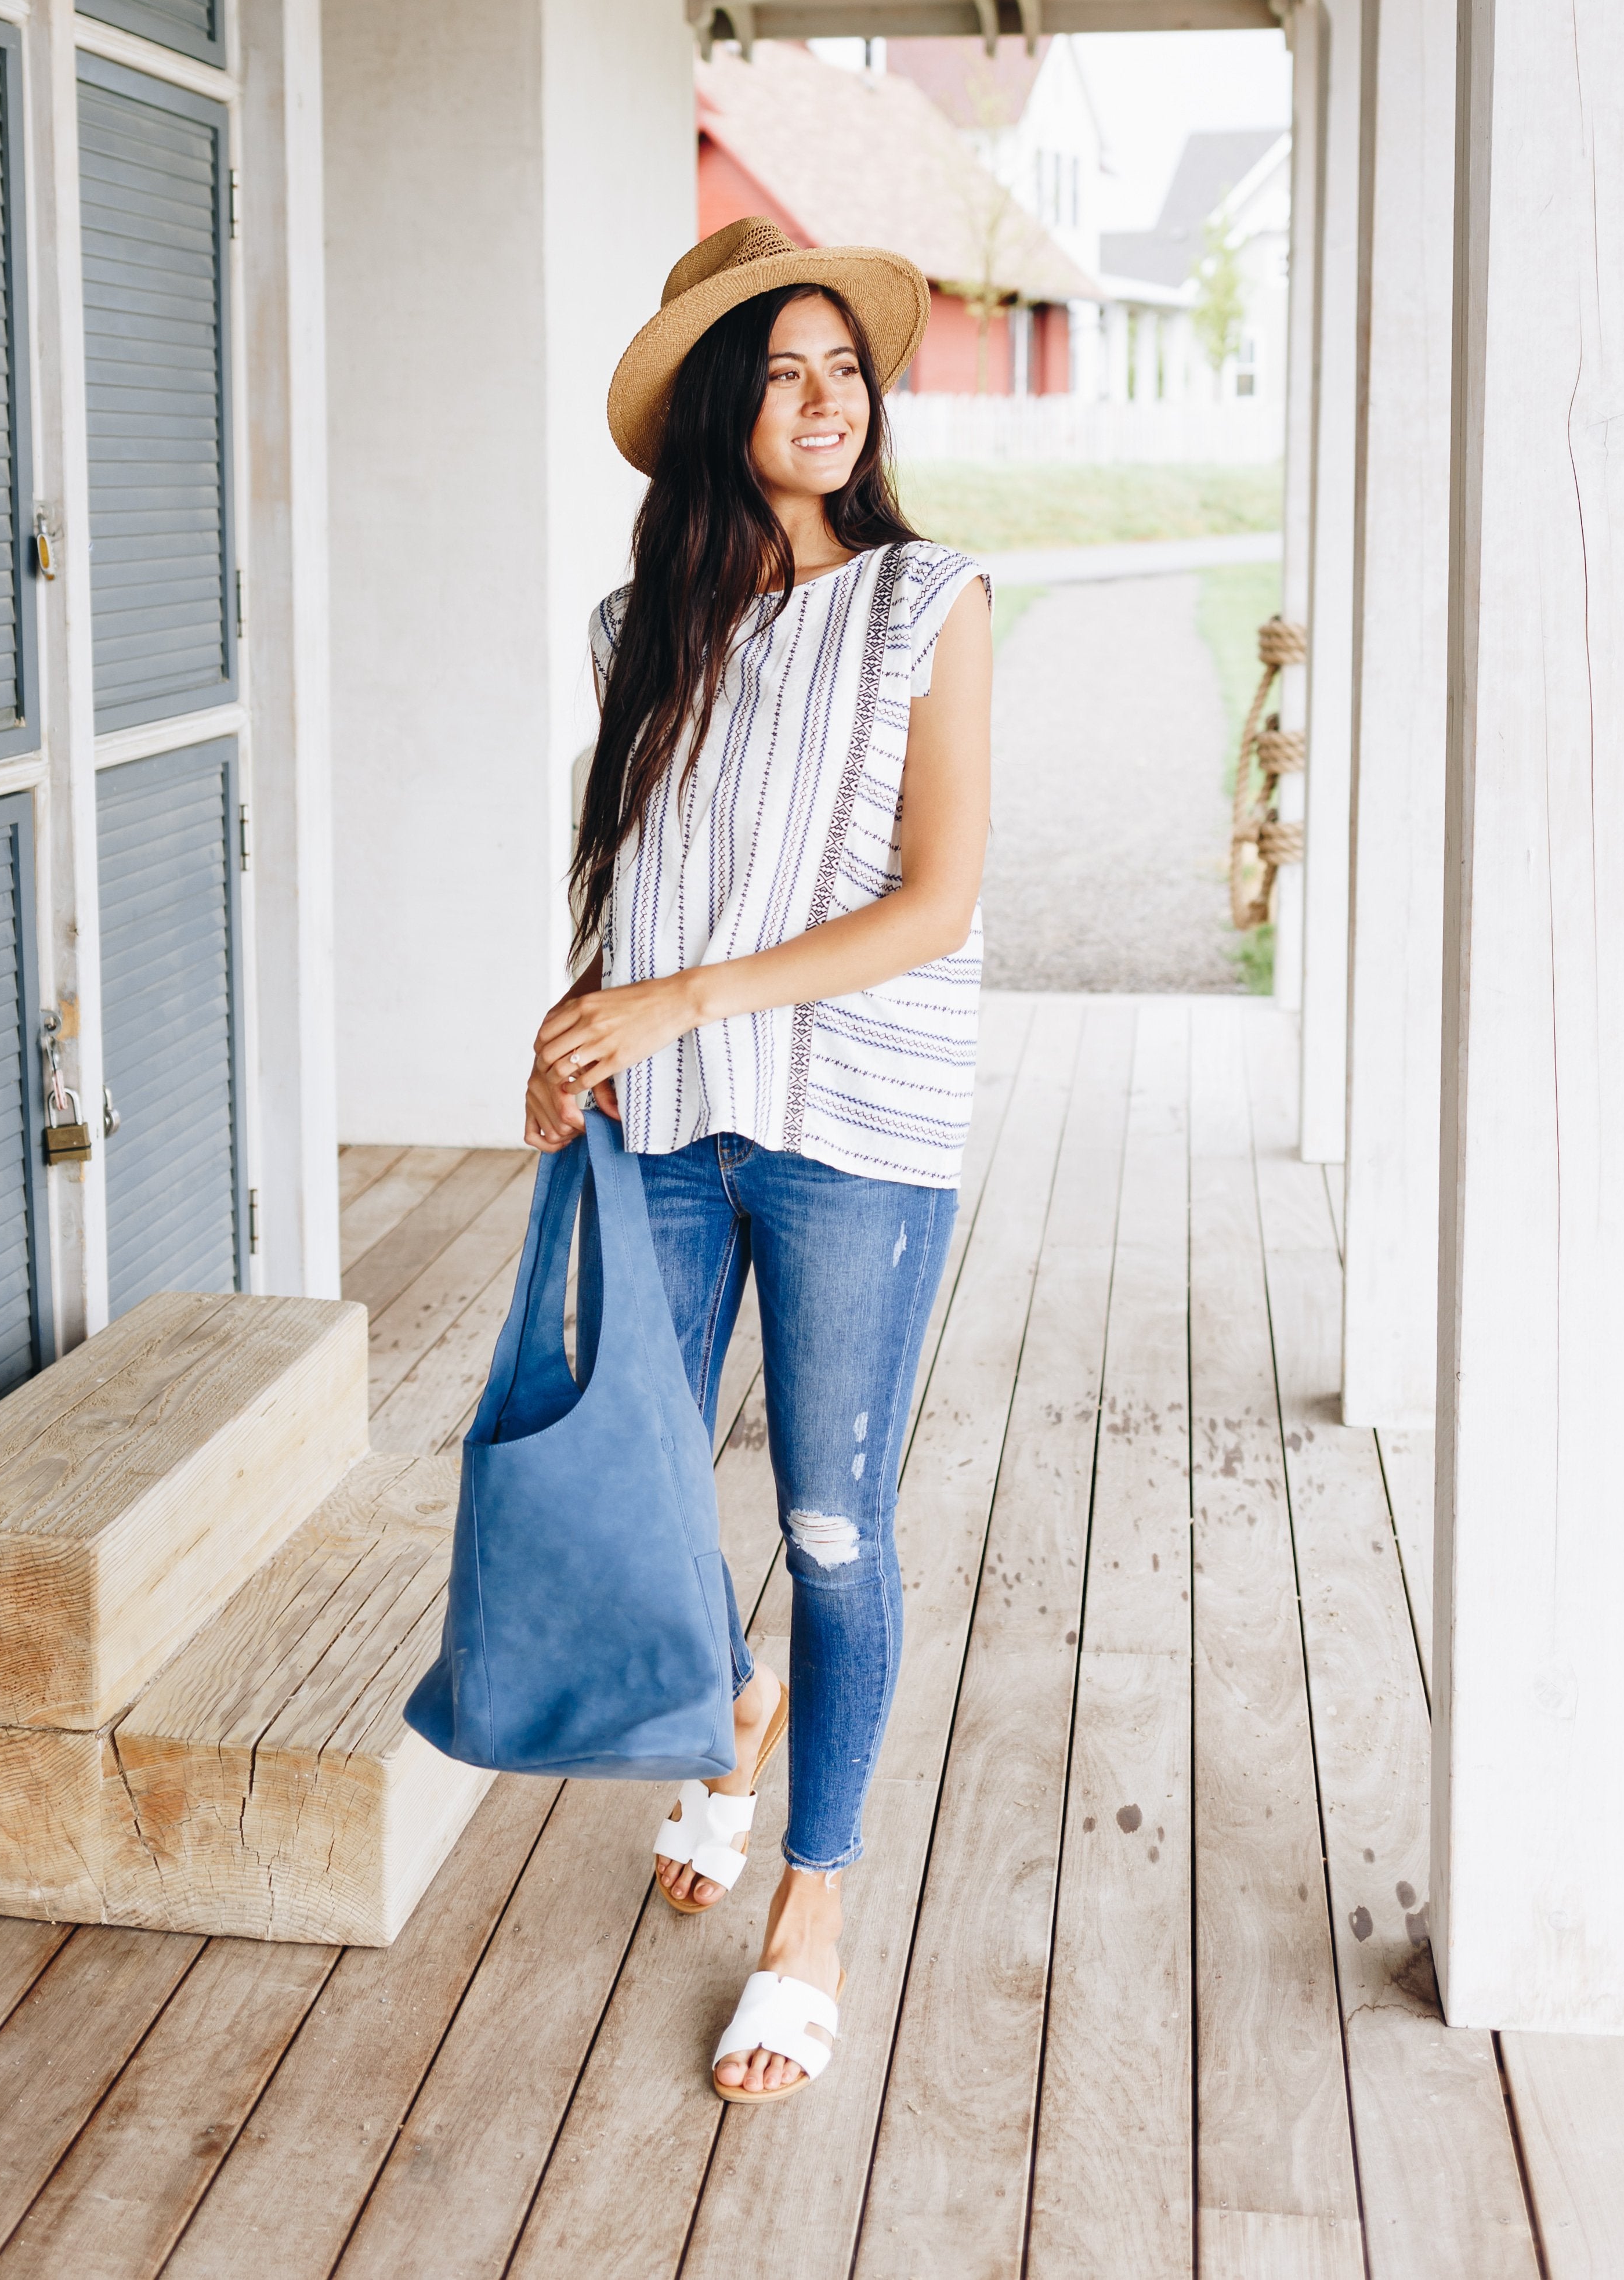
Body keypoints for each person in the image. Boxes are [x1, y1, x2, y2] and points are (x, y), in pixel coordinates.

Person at [523, 218, 992, 2105]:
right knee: (635, 1479)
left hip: (851, 1128)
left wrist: (688, 997)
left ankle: (810, 1902)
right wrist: (580, 1028)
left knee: (828, 1524)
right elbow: (642, 874)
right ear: (723, 408)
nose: (822, 402)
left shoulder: (923, 600)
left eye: (843, 372)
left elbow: (937, 902)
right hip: (659, 1111)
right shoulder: (635, 629)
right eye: (782, 374)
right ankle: (733, 1716)